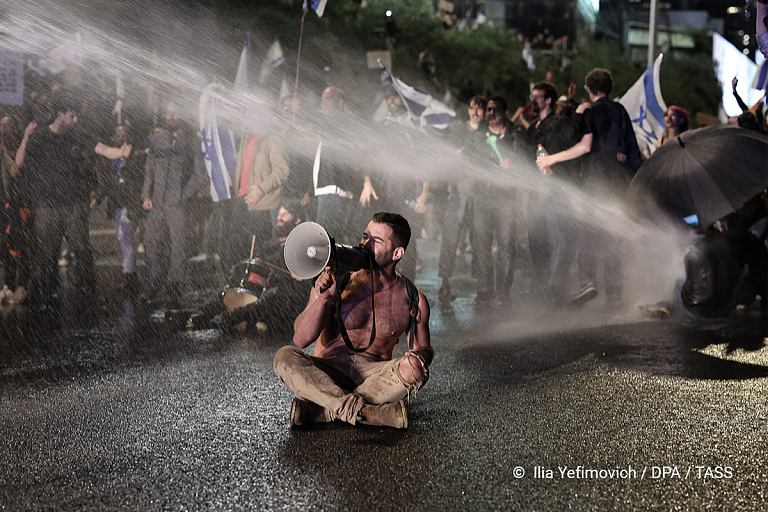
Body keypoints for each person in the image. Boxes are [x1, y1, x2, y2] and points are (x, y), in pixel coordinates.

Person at [273, 212, 432, 429]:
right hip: (328, 371)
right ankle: (367, 413)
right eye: (365, 236)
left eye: (376, 241)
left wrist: (419, 356)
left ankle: (327, 410)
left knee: (414, 368)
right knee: (284, 357)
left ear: (397, 252)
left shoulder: (412, 297)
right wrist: (323, 299)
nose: (365, 245)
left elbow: (423, 349)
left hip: (374, 379)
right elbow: (300, 339)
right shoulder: (336, 278)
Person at [537, 68, 642, 309]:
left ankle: (588, 282)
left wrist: (552, 159)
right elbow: (632, 148)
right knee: (612, 235)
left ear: (589, 89)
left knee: (587, 231)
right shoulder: (620, 110)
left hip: (595, 179)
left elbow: (584, 145)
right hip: (619, 181)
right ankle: (615, 294)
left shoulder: (590, 112)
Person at [18, 94, 98, 310]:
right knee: (47, 254)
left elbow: (96, 153)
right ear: (60, 114)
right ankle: (48, 294)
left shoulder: (75, 137)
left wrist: (118, 151)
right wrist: (25, 137)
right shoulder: (41, 137)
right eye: (72, 116)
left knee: (82, 249)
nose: (75, 121)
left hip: (71, 205)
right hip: (46, 206)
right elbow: (19, 162)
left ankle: (88, 292)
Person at [188, 200, 312, 332]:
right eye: (279, 214)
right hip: (263, 286)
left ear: (297, 220)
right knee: (231, 288)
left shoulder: (301, 245)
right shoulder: (268, 245)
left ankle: (233, 317)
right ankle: (200, 314)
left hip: (284, 293)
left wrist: (301, 270)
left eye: (284, 215)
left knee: (274, 295)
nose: (278, 217)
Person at [141, 101, 207, 305]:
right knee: (149, 241)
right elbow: (149, 169)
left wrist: (182, 195)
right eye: (168, 113)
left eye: (174, 113)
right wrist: (145, 195)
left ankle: (174, 286)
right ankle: (153, 283)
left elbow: (201, 176)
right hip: (157, 202)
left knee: (178, 246)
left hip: (177, 203)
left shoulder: (191, 142)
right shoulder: (157, 139)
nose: (170, 116)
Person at [437, 95, 486, 303]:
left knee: (480, 241)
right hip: (457, 193)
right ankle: (445, 285)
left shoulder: (486, 131)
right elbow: (448, 154)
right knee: (450, 240)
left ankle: (483, 287)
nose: (475, 113)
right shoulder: (458, 129)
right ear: (468, 110)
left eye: (479, 109)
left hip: (480, 195)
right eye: (472, 108)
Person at [472, 96, 520, 306]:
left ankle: (503, 290)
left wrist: (514, 163)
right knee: (481, 245)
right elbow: (471, 159)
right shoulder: (479, 134)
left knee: (506, 244)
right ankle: (484, 289)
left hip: (506, 199)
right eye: (489, 109)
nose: (491, 113)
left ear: (504, 112)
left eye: (495, 109)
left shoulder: (515, 135)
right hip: (482, 197)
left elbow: (525, 160)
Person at [92, 125, 144, 294]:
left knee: (128, 238)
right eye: (117, 135)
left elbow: (138, 178)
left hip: (131, 204)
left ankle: (130, 275)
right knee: (124, 241)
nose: (120, 137)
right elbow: (106, 182)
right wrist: (98, 199)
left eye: (123, 134)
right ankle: (130, 275)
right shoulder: (110, 157)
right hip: (117, 203)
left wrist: (129, 159)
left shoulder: (136, 156)